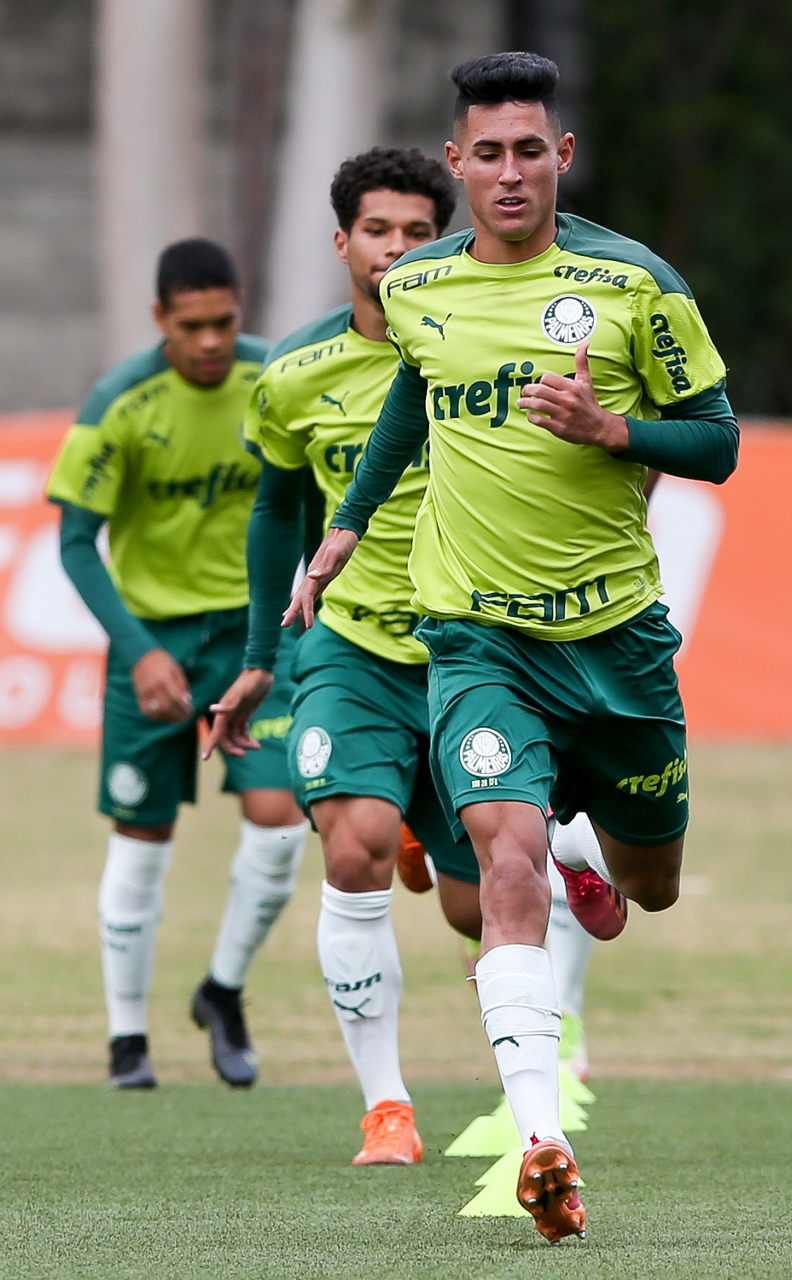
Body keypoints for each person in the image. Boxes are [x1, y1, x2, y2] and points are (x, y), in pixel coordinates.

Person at [282, 53, 738, 1242]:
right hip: (476, 634)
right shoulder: (422, 288)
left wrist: (613, 427)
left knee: (651, 882)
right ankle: (543, 1137)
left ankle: (595, 844)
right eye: (485, 151)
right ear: (457, 162)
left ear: (559, 156)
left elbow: (717, 440)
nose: (508, 171)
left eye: (528, 149)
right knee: (502, 864)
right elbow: (410, 398)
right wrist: (344, 529)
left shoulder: (633, 284)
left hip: (615, 640)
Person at [204, 146, 496, 1166]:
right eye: (378, 230)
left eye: (418, 231)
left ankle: (438, 834)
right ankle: (387, 1109)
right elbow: (276, 509)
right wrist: (259, 656)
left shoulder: (481, 348)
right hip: (351, 648)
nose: (396, 249)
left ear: (441, 240)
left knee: (478, 904)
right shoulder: (293, 372)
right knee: (350, 847)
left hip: (470, 647)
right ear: (342, 242)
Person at [46, 239, 310, 1090]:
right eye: (191, 325)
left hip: (256, 639)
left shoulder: (277, 378)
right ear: (160, 318)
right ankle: (127, 1040)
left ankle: (221, 990)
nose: (210, 341)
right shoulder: (119, 402)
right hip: (153, 645)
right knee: (141, 835)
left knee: (280, 819)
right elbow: (76, 542)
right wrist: (139, 652)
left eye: (223, 322)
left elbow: (316, 499)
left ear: (240, 309)